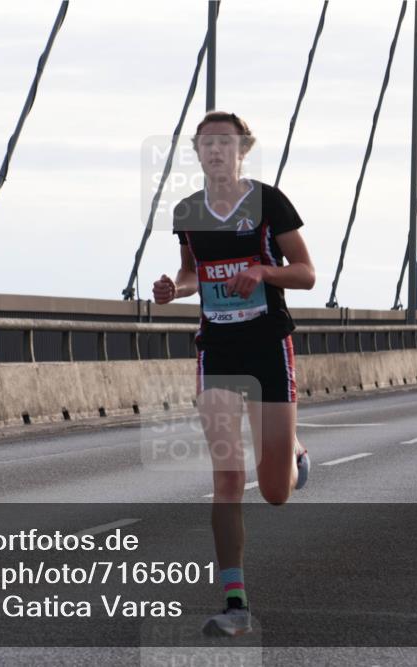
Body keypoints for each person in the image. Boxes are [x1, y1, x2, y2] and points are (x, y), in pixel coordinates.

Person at [152, 111, 315, 637]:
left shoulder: (269, 202)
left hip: (268, 348)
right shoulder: (188, 211)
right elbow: (192, 273)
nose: (216, 150)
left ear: (243, 149)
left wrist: (262, 271)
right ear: (197, 153)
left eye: (225, 142)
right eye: (206, 143)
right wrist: (174, 289)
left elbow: (307, 273)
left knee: (274, 492)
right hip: (217, 350)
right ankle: (235, 604)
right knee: (227, 477)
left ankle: (295, 455)